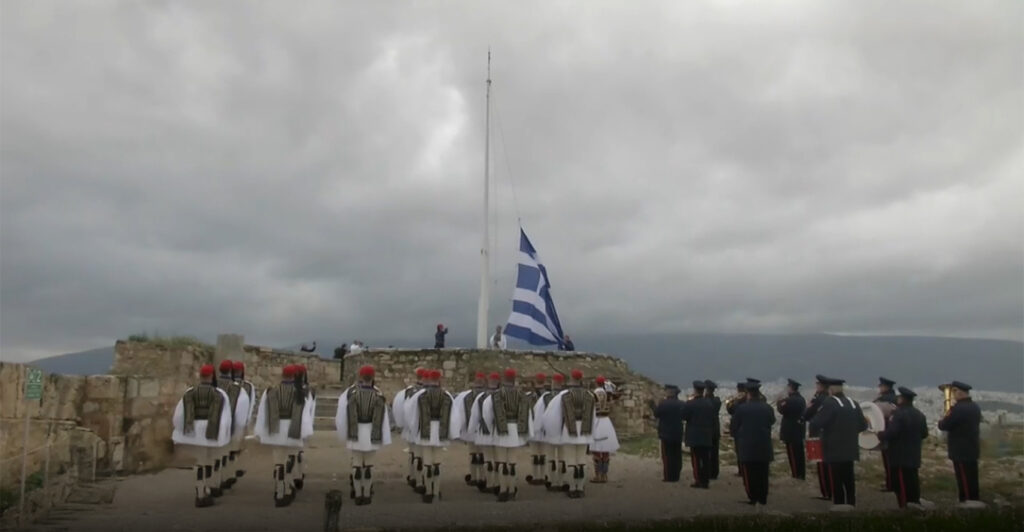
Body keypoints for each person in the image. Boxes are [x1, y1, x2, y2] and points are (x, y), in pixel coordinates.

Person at [172, 364, 233, 507]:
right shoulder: (219, 394)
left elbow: (179, 415)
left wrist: (180, 430)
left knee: (200, 463)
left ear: (200, 376)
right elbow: (225, 417)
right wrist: (224, 434)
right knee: (208, 462)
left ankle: (202, 490)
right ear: (212, 376)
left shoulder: (189, 392)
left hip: (194, 432)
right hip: (211, 432)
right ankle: (202, 493)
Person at [254, 364, 315, 507]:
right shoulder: (302, 393)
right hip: (293, 430)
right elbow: (305, 416)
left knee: (279, 462)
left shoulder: (270, 391)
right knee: (290, 460)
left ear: (282, 375)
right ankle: (286, 488)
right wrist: (306, 434)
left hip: (275, 430)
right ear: (294, 376)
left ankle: (279, 490)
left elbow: (263, 413)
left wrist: (260, 432)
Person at [809, 376, 867, 511]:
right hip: (850, 448)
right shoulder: (853, 403)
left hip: (833, 449)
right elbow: (863, 425)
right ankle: (851, 503)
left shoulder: (830, 403)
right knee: (849, 478)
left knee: (836, 479)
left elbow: (816, 423)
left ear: (830, 390)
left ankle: (840, 505)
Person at [336, 365, 391, 506]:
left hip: (356, 433)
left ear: (360, 377)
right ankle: (366, 495)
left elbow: (344, 417)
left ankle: (357, 494)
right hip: (372, 433)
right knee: (369, 467)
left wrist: (345, 433)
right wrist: (382, 436)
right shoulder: (379, 397)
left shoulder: (352, 395)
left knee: (356, 466)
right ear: (373, 377)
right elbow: (382, 419)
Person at [542, 369, 596, 498]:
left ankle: (572, 488)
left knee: (571, 461)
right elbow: (593, 416)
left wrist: (554, 432)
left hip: (569, 430)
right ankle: (580, 487)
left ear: (571, 379)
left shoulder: (563, 395)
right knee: (581, 461)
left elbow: (553, 415)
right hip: (584, 430)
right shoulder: (589, 395)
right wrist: (591, 432)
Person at [404, 369, 454, 503]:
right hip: (440, 432)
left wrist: (415, 431)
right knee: (437, 464)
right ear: (440, 380)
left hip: (425, 431)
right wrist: (450, 433)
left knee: (427, 464)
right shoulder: (446, 396)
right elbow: (452, 417)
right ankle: (436, 492)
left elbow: (413, 416)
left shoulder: (421, 396)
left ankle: (428, 491)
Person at [877, 386, 928, 510]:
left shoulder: (898, 414)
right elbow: (924, 433)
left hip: (899, 455)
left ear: (902, 399)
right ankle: (915, 502)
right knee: (913, 480)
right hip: (914, 454)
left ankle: (904, 507)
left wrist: (880, 435)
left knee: (901, 483)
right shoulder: (919, 414)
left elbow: (892, 433)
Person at [486, 368, 531, 501]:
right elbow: (527, 414)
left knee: (501, 463)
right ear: (514, 379)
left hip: (500, 429)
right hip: (515, 430)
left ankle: (503, 490)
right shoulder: (522, 395)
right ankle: (512, 490)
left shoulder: (496, 395)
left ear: (503, 379)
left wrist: (490, 429)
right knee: (512, 463)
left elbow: (488, 414)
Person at [937, 380, 984, 508]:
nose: (953, 394)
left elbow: (944, 425)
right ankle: (974, 499)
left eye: (954, 391)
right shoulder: (975, 407)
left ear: (960, 392)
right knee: (972, 477)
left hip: (960, 449)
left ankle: (966, 501)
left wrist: (943, 419)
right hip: (972, 447)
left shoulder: (958, 409)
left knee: (963, 477)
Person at [730, 379, 776, 506]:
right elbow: (772, 421)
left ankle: (753, 497)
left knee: (749, 474)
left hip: (747, 446)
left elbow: (734, 426)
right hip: (764, 445)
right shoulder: (767, 408)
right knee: (763, 474)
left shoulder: (741, 408)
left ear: (748, 393)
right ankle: (763, 498)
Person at [214, 360, 251, 491]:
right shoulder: (238, 388)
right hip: (229, 424)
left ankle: (215, 481)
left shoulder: (213, 385)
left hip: (213, 423)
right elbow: (242, 410)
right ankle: (221, 479)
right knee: (227, 453)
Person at [392, 368, 425, 491]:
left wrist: (403, 425)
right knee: (422, 456)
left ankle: (413, 477)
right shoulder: (428, 391)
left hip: (410, 428)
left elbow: (399, 409)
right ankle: (420, 480)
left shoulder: (406, 392)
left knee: (413, 453)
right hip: (425, 428)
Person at [468, 372, 502, 493]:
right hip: (499, 431)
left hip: (484, 431)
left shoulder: (481, 397)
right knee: (498, 459)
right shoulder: (502, 396)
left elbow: (475, 416)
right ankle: (498, 483)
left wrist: (471, 432)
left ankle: (489, 483)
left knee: (488, 459)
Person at [454, 372, 487, 487]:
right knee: (483, 455)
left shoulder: (465, 396)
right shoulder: (489, 395)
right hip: (485, 430)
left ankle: (474, 476)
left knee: (473, 453)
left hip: (470, 429)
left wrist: (462, 429)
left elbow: (461, 414)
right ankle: (483, 477)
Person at [802, 375, 832, 500]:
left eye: (818, 385)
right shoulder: (830, 399)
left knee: (821, 464)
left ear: (821, 386)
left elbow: (807, 414)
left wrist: (808, 407)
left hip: (818, 434)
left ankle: (826, 492)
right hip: (829, 435)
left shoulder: (818, 399)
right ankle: (831, 490)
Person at [681, 380, 715, 489]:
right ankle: (705, 480)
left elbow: (684, 416)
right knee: (705, 459)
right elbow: (713, 419)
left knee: (696, 459)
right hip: (706, 435)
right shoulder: (709, 403)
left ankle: (698, 480)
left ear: (695, 390)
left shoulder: (691, 403)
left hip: (694, 435)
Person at [650, 385, 685, 482]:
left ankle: (668, 476)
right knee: (677, 454)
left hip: (666, 433)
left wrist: (652, 405)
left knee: (667, 456)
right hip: (677, 433)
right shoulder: (682, 404)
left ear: (669, 393)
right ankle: (676, 474)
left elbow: (657, 414)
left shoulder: (663, 404)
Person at [590, 376, 620, 483]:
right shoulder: (608, 394)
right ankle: (605, 475)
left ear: (596, 383)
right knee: (606, 450)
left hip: (597, 421)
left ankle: (597, 475)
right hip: (606, 422)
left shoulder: (593, 394)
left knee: (597, 449)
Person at [230, 361, 256, 481]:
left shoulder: (226, 385)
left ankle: (232, 468)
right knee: (238, 447)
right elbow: (251, 403)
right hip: (241, 421)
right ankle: (233, 469)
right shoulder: (248, 386)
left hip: (229, 420)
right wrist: (247, 419)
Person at [777, 378, 807, 480]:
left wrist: (779, 401)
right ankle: (801, 473)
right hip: (799, 430)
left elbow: (782, 409)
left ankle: (796, 474)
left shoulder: (790, 400)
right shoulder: (801, 399)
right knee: (799, 454)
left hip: (790, 431)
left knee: (793, 454)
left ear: (791, 388)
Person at [543, 373, 566, 490]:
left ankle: (552, 481)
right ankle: (561, 481)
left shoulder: (546, 397)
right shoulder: (566, 396)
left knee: (551, 457)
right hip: (562, 429)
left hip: (551, 429)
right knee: (562, 458)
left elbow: (543, 413)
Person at [526, 373, 549, 485]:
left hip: (533, 426)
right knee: (543, 453)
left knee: (535, 453)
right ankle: (543, 475)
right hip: (545, 427)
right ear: (544, 382)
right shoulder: (549, 396)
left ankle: (536, 476)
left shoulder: (529, 396)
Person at [876, 376, 898, 491]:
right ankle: (892, 482)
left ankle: (891, 484)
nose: (879, 388)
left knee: (888, 460)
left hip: (887, 431)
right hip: (892, 433)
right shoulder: (894, 398)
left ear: (885, 387)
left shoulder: (885, 400)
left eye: (880, 386)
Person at [726, 381, 747, 476]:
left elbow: (732, 410)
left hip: (740, 429)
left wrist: (732, 402)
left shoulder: (740, 401)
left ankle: (742, 470)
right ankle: (742, 469)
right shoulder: (744, 399)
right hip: (741, 429)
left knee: (740, 451)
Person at [704, 380, 722, 480]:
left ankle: (709, 471)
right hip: (715, 430)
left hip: (707, 430)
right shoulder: (716, 400)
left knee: (707, 453)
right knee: (715, 453)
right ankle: (714, 472)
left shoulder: (707, 401)